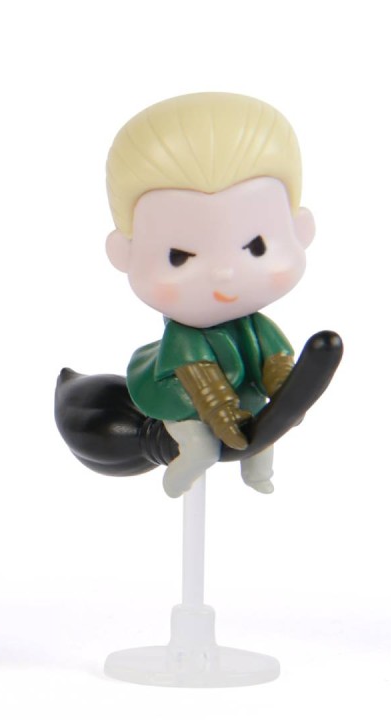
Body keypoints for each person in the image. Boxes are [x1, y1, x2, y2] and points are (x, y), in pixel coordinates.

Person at [103, 93, 315, 497]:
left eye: (256, 247)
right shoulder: (185, 337)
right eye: (179, 257)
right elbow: (199, 381)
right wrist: (220, 413)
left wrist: (286, 390)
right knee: (201, 445)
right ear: (123, 254)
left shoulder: (255, 325)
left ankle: (259, 474)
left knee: (263, 429)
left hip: (241, 387)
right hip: (182, 394)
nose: (224, 273)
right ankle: (179, 479)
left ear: (301, 230)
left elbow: (275, 359)